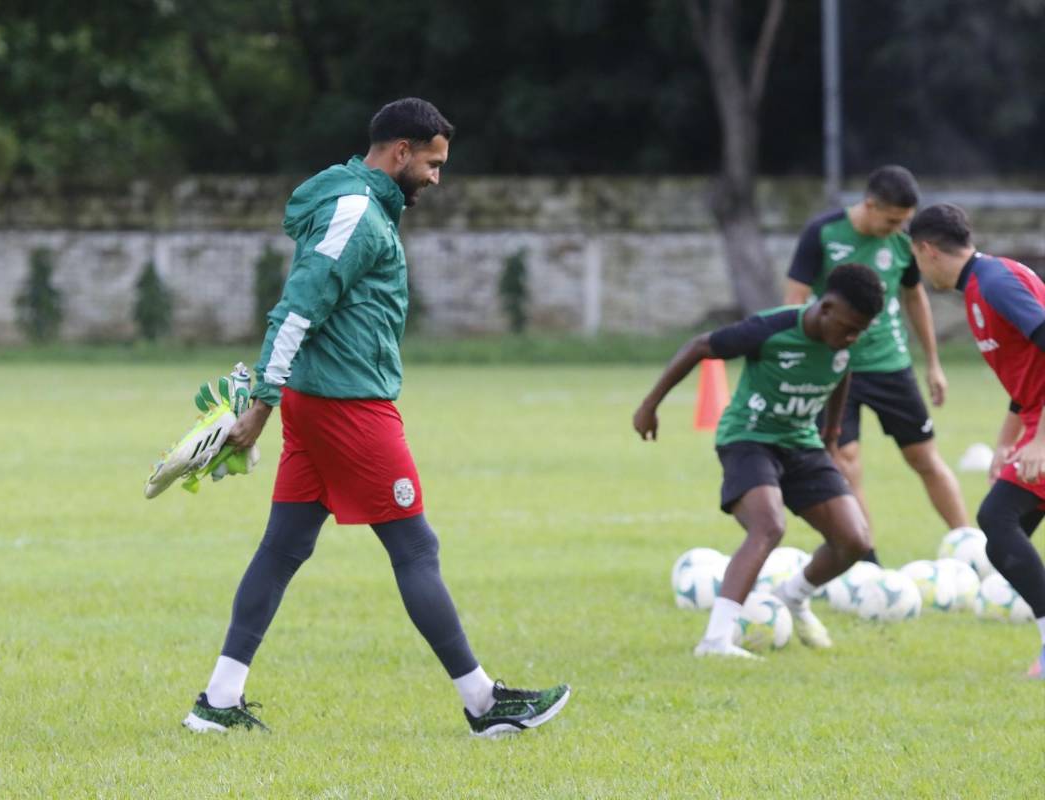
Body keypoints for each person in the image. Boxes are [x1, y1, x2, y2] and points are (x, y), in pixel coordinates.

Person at [182, 98, 570, 736]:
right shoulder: (359, 213)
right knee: (416, 547)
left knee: (283, 548)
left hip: (324, 402)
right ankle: (483, 704)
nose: (436, 178)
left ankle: (219, 701)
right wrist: (261, 404)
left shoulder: (359, 205)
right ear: (400, 152)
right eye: (432, 164)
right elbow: (297, 307)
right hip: (347, 408)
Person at [633, 264, 884, 658]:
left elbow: (841, 373)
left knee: (854, 541)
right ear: (827, 307)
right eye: (849, 328)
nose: (852, 338)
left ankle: (792, 597)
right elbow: (701, 346)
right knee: (768, 526)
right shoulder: (772, 328)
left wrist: (832, 436)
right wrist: (650, 405)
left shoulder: (843, 341)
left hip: (802, 443)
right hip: (748, 438)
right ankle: (715, 641)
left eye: (860, 331)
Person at [784, 166, 968, 562]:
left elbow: (915, 298)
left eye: (904, 222)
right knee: (846, 461)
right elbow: (794, 300)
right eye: (892, 220)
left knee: (924, 458)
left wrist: (933, 363)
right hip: (834, 370)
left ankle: (971, 546)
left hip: (891, 366)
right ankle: (865, 559)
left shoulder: (903, 245)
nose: (898, 228)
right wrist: (799, 359)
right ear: (870, 205)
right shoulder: (823, 233)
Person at [908, 203, 1045, 679]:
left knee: (999, 520)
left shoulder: (995, 283)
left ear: (926, 251)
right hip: (1032, 419)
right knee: (1005, 531)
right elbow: (1026, 374)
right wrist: (1008, 441)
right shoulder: (980, 285)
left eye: (916, 259)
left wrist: (1041, 438)